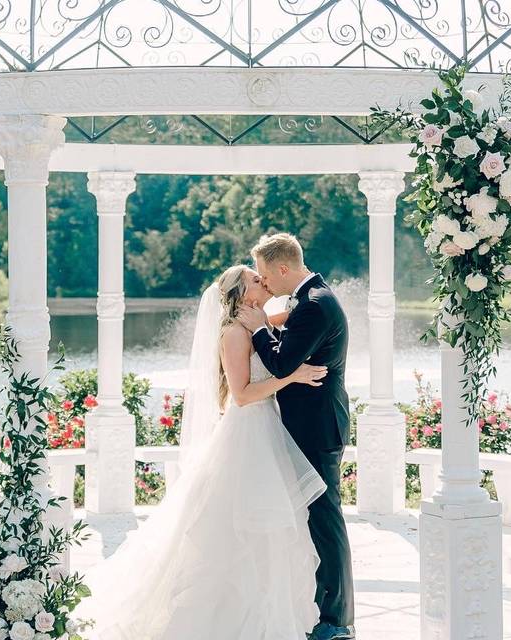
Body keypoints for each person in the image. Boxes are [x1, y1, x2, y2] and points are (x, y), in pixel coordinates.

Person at [81, 265, 329, 639]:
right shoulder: (232, 334)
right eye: (255, 280)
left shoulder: (255, 322)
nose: (263, 281)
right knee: (234, 529)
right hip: (246, 435)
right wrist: (291, 377)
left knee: (272, 532)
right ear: (243, 296)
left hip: (267, 433)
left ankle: (264, 615)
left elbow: (292, 316)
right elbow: (243, 396)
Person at [237, 233, 355, 640]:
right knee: (312, 521)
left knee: (326, 523)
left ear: (283, 269)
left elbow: (282, 362)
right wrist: (268, 323)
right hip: (307, 426)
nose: (266, 286)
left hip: (316, 429)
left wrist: (255, 329)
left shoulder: (315, 306)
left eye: (268, 277)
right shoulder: (309, 301)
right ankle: (318, 608)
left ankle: (336, 621)